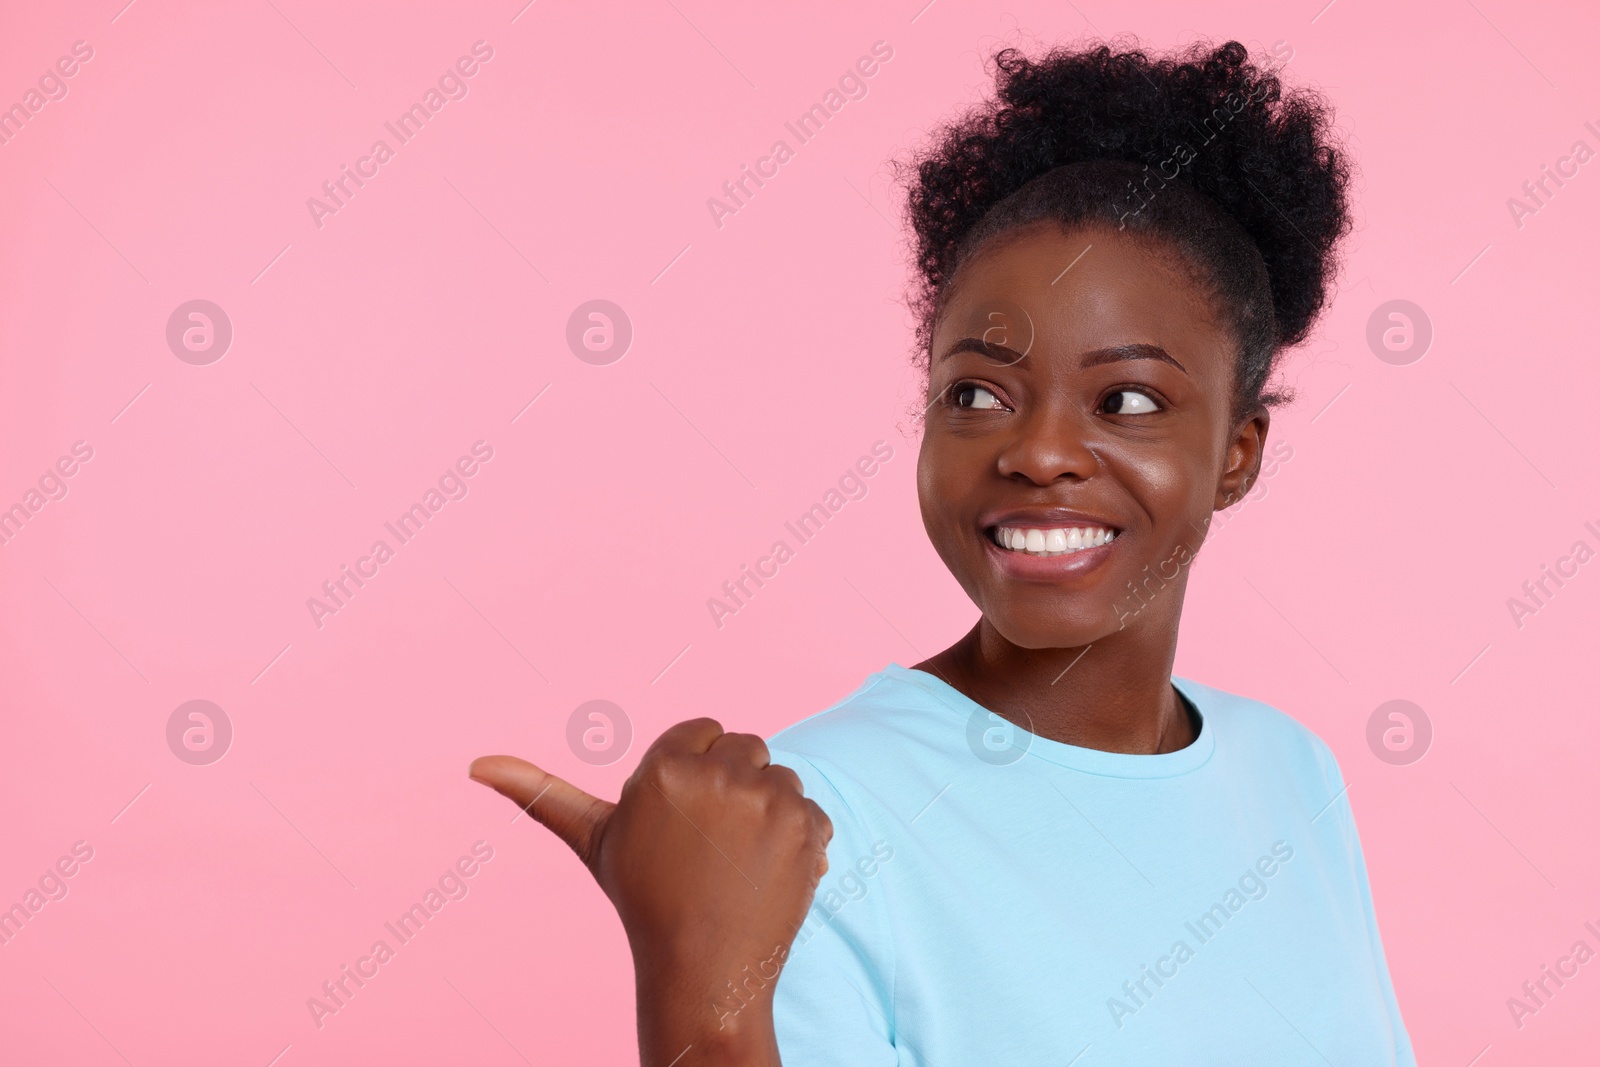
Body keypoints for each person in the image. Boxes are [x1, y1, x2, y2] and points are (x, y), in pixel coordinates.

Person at [470, 37, 1416, 1066]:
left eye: (1127, 400)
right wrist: (701, 1002)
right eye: (978, 393)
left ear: (1236, 455)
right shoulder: (799, 826)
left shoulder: (1287, 769)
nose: (1040, 451)